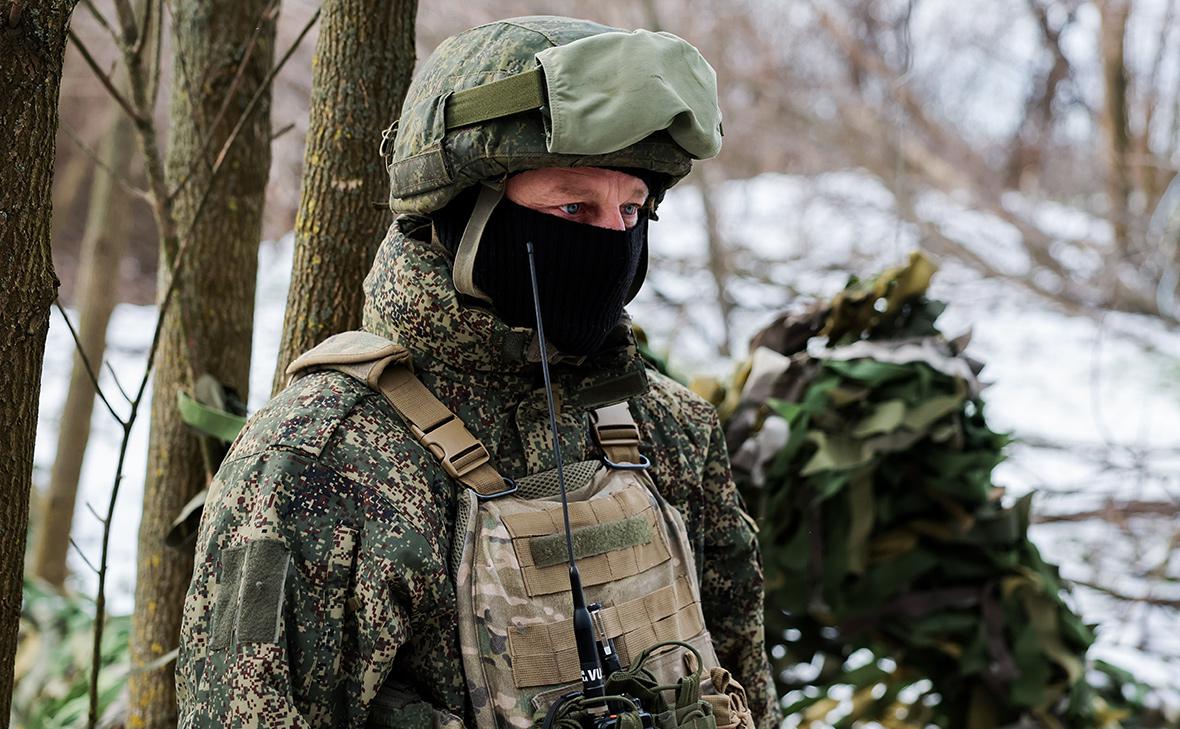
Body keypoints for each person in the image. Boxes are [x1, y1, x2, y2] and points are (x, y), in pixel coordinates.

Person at [176, 15, 782, 729]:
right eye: (573, 206)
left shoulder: (670, 428)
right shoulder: (320, 464)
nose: (611, 242)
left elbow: (743, 687)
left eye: (632, 211)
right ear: (464, 214)